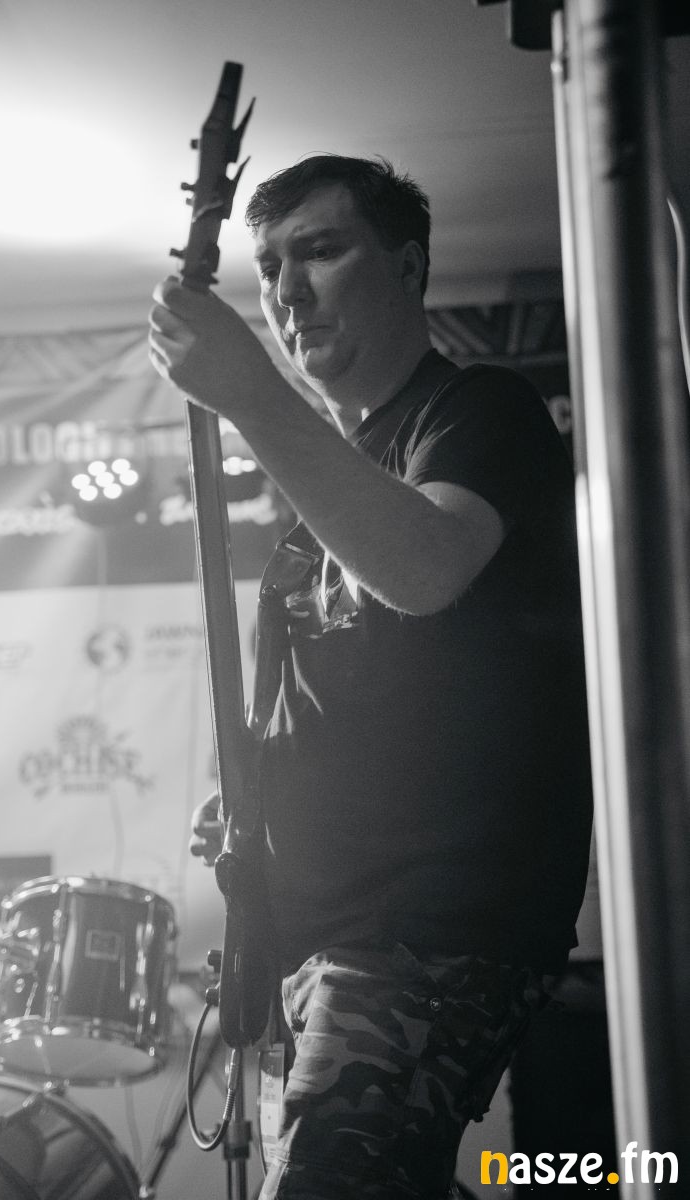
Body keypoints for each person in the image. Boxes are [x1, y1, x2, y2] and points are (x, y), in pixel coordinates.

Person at [148, 155, 593, 1200]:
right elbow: (382, 697)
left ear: (408, 266)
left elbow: (424, 569)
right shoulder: (344, 473)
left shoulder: (479, 411)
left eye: (320, 251)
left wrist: (250, 393)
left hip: (423, 928)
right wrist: (260, 796)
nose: (287, 290)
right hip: (324, 930)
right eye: (270, 265)